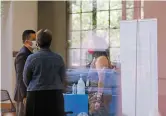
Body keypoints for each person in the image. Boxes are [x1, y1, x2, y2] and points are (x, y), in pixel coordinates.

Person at [23, 29, 66, 116]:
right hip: (55, 96)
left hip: (35, 95)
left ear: (37, 43)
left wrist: (34, 86)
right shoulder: (58, 58)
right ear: (50, 42)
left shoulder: (31, 58)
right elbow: (63, 78)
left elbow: (26, 78)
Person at [14, 30, 36, 116]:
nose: (36, 41)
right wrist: (24, 96)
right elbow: (20, 77)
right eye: (34, 39)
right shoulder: (22, 55)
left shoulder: (30, 54)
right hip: (22, 95)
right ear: (27, 41)